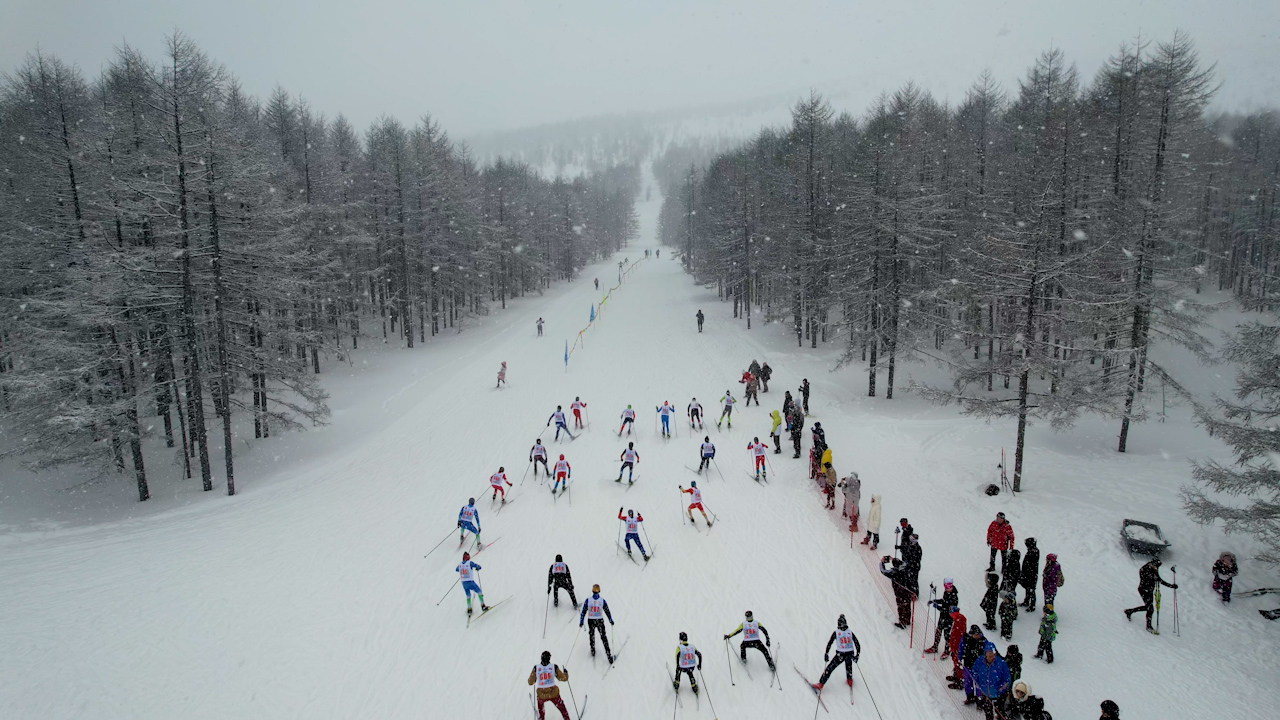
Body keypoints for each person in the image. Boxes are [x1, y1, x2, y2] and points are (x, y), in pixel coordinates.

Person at [1124, 557, 1176, 632]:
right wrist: (1153, 578)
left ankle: (1131, 612)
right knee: (1149, 607)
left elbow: (1158, 579)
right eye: (1156, 567)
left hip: (1150, 591)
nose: (1156, 568)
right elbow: (1150, 579)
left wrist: (1171, 586)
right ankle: (1147, 625)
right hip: (1143, 590)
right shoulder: (1144, 569)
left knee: (1150, 608)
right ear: (1152, 564)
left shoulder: (1154, 568)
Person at [813, 614, 861, 690]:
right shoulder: (850, 632)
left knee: (830, 668)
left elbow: (830, 643)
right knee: (848, 666)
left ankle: (821, 683)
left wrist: (826, 653)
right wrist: (857, 655)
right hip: (850, 653)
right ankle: (849, 679)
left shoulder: (836, 632)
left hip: (840, 654)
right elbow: (857, 644)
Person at [971, 642, 1012, 720]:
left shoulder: (1001, 663)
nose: (991, 657)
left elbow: (1007, 679)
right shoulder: (979, 661)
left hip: (998, 695)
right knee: (988, 712)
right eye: (989, 655)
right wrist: (978, 682)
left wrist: (1001, 689)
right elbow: (974, 671)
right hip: (985, 693)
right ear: (985, 654)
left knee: (1000, 712)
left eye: (993, 654)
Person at [528, 650, 570, 720]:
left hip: (542, 695)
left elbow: (530, 682)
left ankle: (542, 717)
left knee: (540, 705)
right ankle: (566, 718)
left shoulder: (536, 668)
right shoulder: (554, 667)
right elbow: (563, 678)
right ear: (549, 658)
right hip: (553, 693)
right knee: (561, 707)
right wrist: (565, 673)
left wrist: (534, 678)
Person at [579, 583, 615, 663]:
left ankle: (592, 650)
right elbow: (607, 611)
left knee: (591, 634)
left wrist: (581, 621)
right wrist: (610, 620)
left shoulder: (588, 600)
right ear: (599, 591)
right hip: (599, 620)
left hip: (591, 620)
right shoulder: (602, 601)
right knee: (603, 637)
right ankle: (609, 656)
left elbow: (583, 611)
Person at [879, 555, 914, 628]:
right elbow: (903, 563)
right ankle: (907, 620)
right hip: (908, 590)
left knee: (901, 606)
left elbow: (883, 571)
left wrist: (881, 563)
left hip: (900, 592)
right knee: (907, 605)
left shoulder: (894, 572)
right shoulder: (905, 568)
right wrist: (893, 559)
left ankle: (902, 623)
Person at [926, 578, 959, 653]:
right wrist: (935, 601)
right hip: (942, 617)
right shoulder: (946, 593)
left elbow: (949, 610)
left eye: (949, 587)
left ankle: (947, 650)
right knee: (938, 631)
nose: (947, 589)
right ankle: (935, 647)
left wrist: (938, 607)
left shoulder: (954, 597)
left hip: (949, 618)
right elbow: (944, 600)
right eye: (946, 587)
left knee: (947, 634)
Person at [957, 625, 987, 704]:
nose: (977, 636)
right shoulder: (965, 638)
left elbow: (988, 651)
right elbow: (960, 648)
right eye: (976, 635)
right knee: (967, 682)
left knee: (979, 684)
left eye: (978, 634)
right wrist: (959, 659)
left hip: (979, 667)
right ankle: (970, 696)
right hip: (968, 664)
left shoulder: (983, 641)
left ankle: (980, 700)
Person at [945, 607, 967, 684]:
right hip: (957, 645)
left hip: (957, 646)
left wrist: (953, 646)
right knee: (956, 661)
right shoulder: (959, 619)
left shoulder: (958, 619)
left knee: (957, 661)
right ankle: (957, 675)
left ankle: (960, 680)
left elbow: (956, 636)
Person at [1019, 538, 1041, 610]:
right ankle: (1027, 601)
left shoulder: (1033, 552)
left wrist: (1026, 572)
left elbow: (1030, 564)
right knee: (1028, 588)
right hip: (1030, 573)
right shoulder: (1033, 551)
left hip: (1031, 574)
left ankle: (1032, 605)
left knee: (1031, 589)